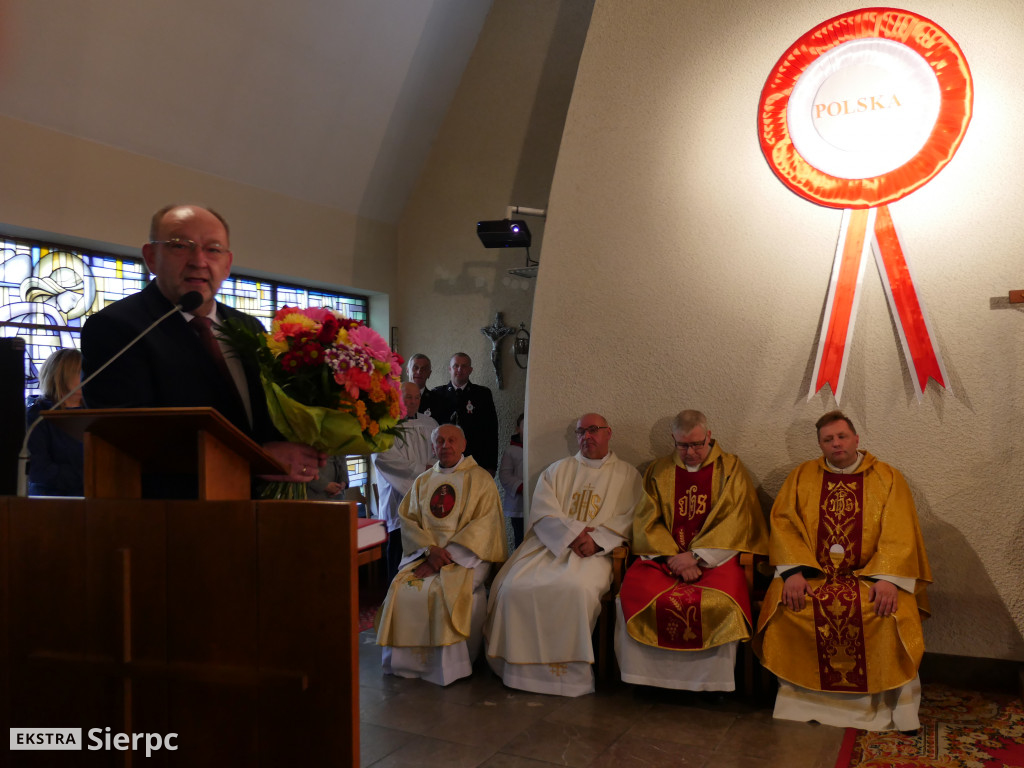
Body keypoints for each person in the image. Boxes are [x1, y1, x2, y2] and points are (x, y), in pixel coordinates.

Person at [80, 204, 322, 496]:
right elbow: (130, 441)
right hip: (172, 514)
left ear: (228, 263)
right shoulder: (117, 328)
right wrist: (257, 457)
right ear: (150, 257)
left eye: (213, 250)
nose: (198, 261)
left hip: (260, 507)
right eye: (180, 246)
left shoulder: (247, 326)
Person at [753, 411, 932, 731]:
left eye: (842, 436)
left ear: (856, 438)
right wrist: (793, 572)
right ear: (820, 444)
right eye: (828, 439)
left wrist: (888, 578)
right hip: (813, 573)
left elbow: (899, 532)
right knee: (789, 603)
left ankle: (888, 708)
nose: (836, 443)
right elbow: (783, 525)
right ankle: (799, 703)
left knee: (884, 610)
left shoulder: (887, 477)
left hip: (869, 576)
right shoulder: (801, 476)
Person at [484, 413, 642, 697]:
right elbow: (543, 512)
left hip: (596, 554)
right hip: (549, 546)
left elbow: (632, 518)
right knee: (513, 587)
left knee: (576, 589)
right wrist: (573, 535)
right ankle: (519, 670)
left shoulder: (628, 475)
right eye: (581, 431)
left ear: (609, 433)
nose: (586, 436)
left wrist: (596, 540)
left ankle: (568, 677)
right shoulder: (557, 470)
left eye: (594, 430)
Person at [615, 410, 769, 692]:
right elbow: (647, 521)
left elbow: (737, 520)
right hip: (666, 560)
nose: (691, 452)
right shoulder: (658, 471)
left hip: (716, 560)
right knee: (634, 592)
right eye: (683, 445)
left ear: (708, 436)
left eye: (697, 444)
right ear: (673, 440)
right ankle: (646, 679)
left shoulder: (730, 469)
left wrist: (696, 557)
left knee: (721, 603)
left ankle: (714, 685)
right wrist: (675, 559)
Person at [375, 423, 506, 686]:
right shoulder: (423, 481)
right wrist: (429, 551)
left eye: (452, 440)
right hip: (426, 556)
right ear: (433, 447)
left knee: (443, 590)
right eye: (440, 441)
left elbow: (485, 525)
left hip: (468, 558)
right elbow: (408, 519)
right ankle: (405, 664)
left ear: (463, 445)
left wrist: (447, 556)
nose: (445, 446)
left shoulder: (480, 479)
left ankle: (450, 667)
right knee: (401, 588)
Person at [371, 382, 438, 579]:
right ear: (397, 397)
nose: (413, 401)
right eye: (408, 397)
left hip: (427, 501)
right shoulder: (385, 426)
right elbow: (385, 459)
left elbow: (439, 452)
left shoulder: (430, 423)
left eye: (417, 397)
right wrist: (422, 471)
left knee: (425, 558)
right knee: (399, 560)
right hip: (398, 499)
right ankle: (395, 601)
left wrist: (431, 471)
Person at [25, 347, 85, 496]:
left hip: (94, 493)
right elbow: (38, 469)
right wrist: (88, 475)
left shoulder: (95, 409)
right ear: (62, 375)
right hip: (52, 498)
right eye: (81, 372)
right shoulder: (38, 414)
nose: (87, 377)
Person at [429, 352, 498, 475]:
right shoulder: (437, 395)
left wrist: (491, 465)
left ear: (470, 370)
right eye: (456, 366)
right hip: (444, 462)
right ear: (450, 369)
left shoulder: (482, 394)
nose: (460, 369)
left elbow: (491, 431)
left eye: (464, 366)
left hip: (475, 461)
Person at [498, 412, 525, 548]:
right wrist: (521, 487)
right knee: (520, 539)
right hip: (518, 504)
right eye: (524, 426)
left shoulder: (539, 450)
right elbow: (505, 475)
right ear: (518, 429)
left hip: (536, 501)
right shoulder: (511, 451)